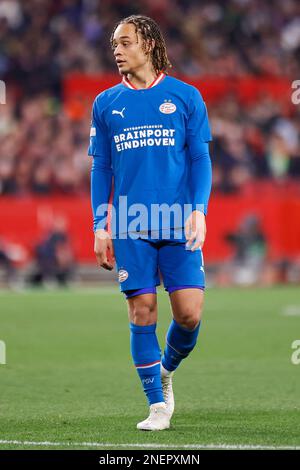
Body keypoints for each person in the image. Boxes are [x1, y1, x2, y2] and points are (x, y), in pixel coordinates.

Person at [88, 15, 212, 431]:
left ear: (149, 44)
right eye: (113, 44)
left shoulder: (186, 96)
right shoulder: (106, 103)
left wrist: (199, 209)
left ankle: (166, 368)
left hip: (178, 220)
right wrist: (100, 225)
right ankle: (157, 405)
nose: (116, 50)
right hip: (129, 222)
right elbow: (101, 168)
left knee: (190, 315)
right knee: (142, 312)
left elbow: (200, 158)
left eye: (124, 42)